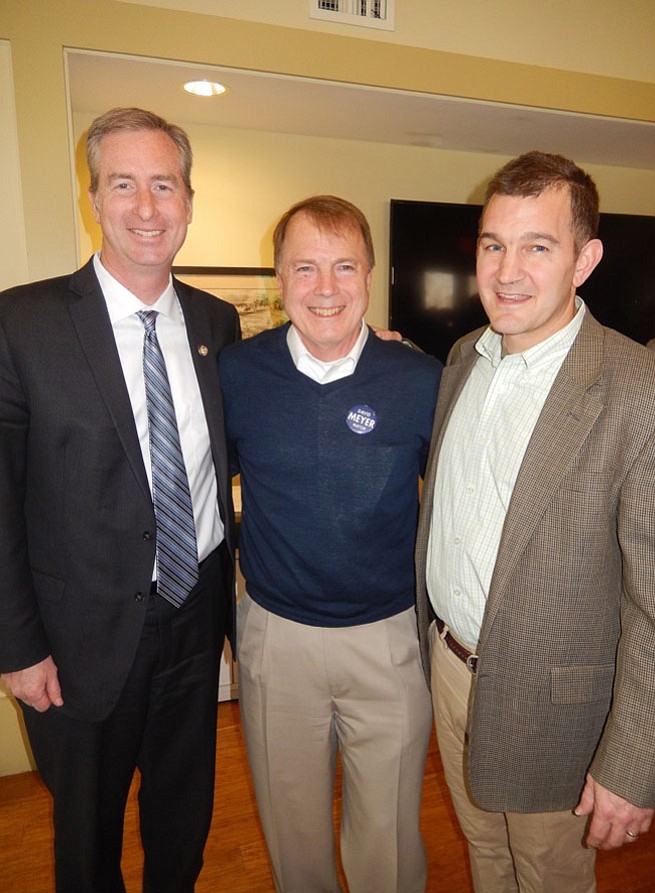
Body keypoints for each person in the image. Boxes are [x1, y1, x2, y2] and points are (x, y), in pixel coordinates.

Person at [415, 150, 655, 893]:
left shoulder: (644, 394)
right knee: (485, 855)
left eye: (538, 246)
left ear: (584, 260)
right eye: (494, 244)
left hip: (556, 707)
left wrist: (633, 762)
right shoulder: (464, 357)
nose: (507, 270)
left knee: (550, 875)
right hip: (452, 671)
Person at [0, 107, 240, 893]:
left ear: (189, 200)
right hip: (77, 639)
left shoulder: (218, 321)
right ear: (94, 199)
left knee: (183, 815)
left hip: (194, 618)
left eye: (164, 185)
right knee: (86, 838)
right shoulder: (21, 321)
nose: (147, 208)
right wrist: (17, 645)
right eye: (124, 185)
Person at [218, 195, 442, 893]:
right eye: (305, 267)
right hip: (277, 637)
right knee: (295, 833)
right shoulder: (234, 374)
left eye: (345, 266)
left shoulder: (422, 379)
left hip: (389, 639)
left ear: (370, 273)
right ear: (279, 279)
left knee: (391, 841)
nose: (325, 288)